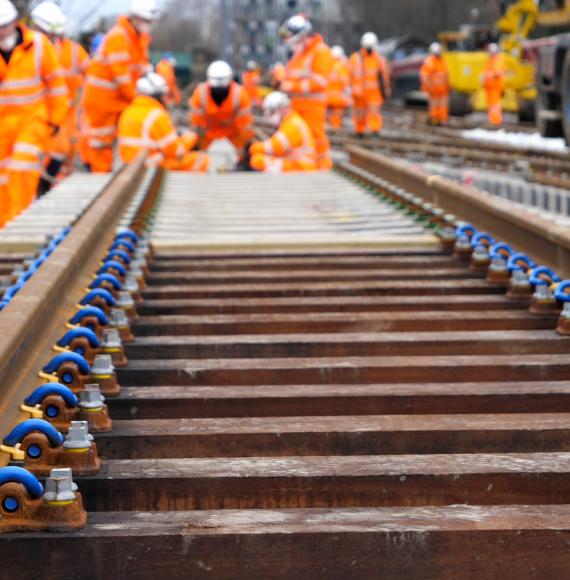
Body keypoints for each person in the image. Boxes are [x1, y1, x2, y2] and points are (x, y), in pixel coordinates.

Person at [0, 0, 68, 224]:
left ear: (14, 23)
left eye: (4, 27)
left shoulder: (38, 45)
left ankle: (15, 224)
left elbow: (56, 85)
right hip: (3, 125)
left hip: (32, 120)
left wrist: (55, 120)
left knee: (22, 169)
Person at [81, 0, 160, 172]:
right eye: (145, 20)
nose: (148, 25)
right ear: (134, 18)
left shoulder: (139, 39)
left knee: (119, 139)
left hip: (118, 99)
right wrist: (137, 99)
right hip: (102, 101)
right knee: (101, 144)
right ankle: (98, 177)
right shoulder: (119, 36)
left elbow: (140, 69)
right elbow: (121, 77)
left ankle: (107, 174)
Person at [31, 1, 89, 195]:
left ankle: (46, 190)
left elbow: (91, 74)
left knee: (58, 155)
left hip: (64, 116)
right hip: (37, 115)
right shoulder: (29, 50)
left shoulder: (72, 51)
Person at [118, 72, 209, 171]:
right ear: (157, 96)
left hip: (130, 165)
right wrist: (190, 138)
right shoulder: (157, 115)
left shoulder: (127, 112)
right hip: (151, 165)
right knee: (201, 159)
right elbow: (175, 151)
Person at [280, 14, 333, 170]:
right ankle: (308, 167)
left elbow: (320, 81)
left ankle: (323, 168)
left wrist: (290, 86)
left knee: (316, 138)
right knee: (300, 139)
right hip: (297, 105)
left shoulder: (320, 51)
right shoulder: (299, 53)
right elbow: (289, 74)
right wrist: (280, 76)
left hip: (313, 106)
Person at [188, 60, 253, 164]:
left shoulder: (240, 95)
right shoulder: (200, 94)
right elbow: (197, 126)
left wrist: (242, 151)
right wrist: (199, 148)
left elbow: (245, 127)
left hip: (233, 137)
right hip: (208, 137)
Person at [249, 91, 317, 173]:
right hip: (298, 165)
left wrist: (253, 148)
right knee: (259, 158)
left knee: (257, 160)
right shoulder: (290, 121)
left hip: (301, 167)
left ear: (281, 108)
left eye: (272, 112)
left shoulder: (292, 124)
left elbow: (276, 147)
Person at [348, 32, 391, 137]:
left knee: (374, 113)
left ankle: (374, 130)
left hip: (374, 93)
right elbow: (348, 75)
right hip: (359, 93)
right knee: (360, 114)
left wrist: (386, 90)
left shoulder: (379, 60)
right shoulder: (355, 58)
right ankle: (360, 131)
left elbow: (384, 76)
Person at [420, 42, 450, 126]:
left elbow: (446, 75)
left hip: (442, 89)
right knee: (435, 105)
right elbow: (425, 76)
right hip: (434, 89)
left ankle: (441, 120)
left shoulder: (441, 62)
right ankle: (435, 119)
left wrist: (448, 85)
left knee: (442, 106)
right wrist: (428, 86)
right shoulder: (430, 62)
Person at [327, 45, 351, 129]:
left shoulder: (327, 66)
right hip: (338, 98)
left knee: (326, 116)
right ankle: (335, 129)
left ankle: (330, 130)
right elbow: (345, 83)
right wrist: (348, 98)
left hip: (327, 97)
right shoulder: (341, 67)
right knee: (336, 117)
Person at [483, 43, 505, 126]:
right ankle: (492, 120)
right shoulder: (490, 61)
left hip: (495, 87)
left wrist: (489, 75)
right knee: (491, 105)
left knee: (495, 105)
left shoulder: (497, 60)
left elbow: (498, 73)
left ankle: (495, 121)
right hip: (490, 88)